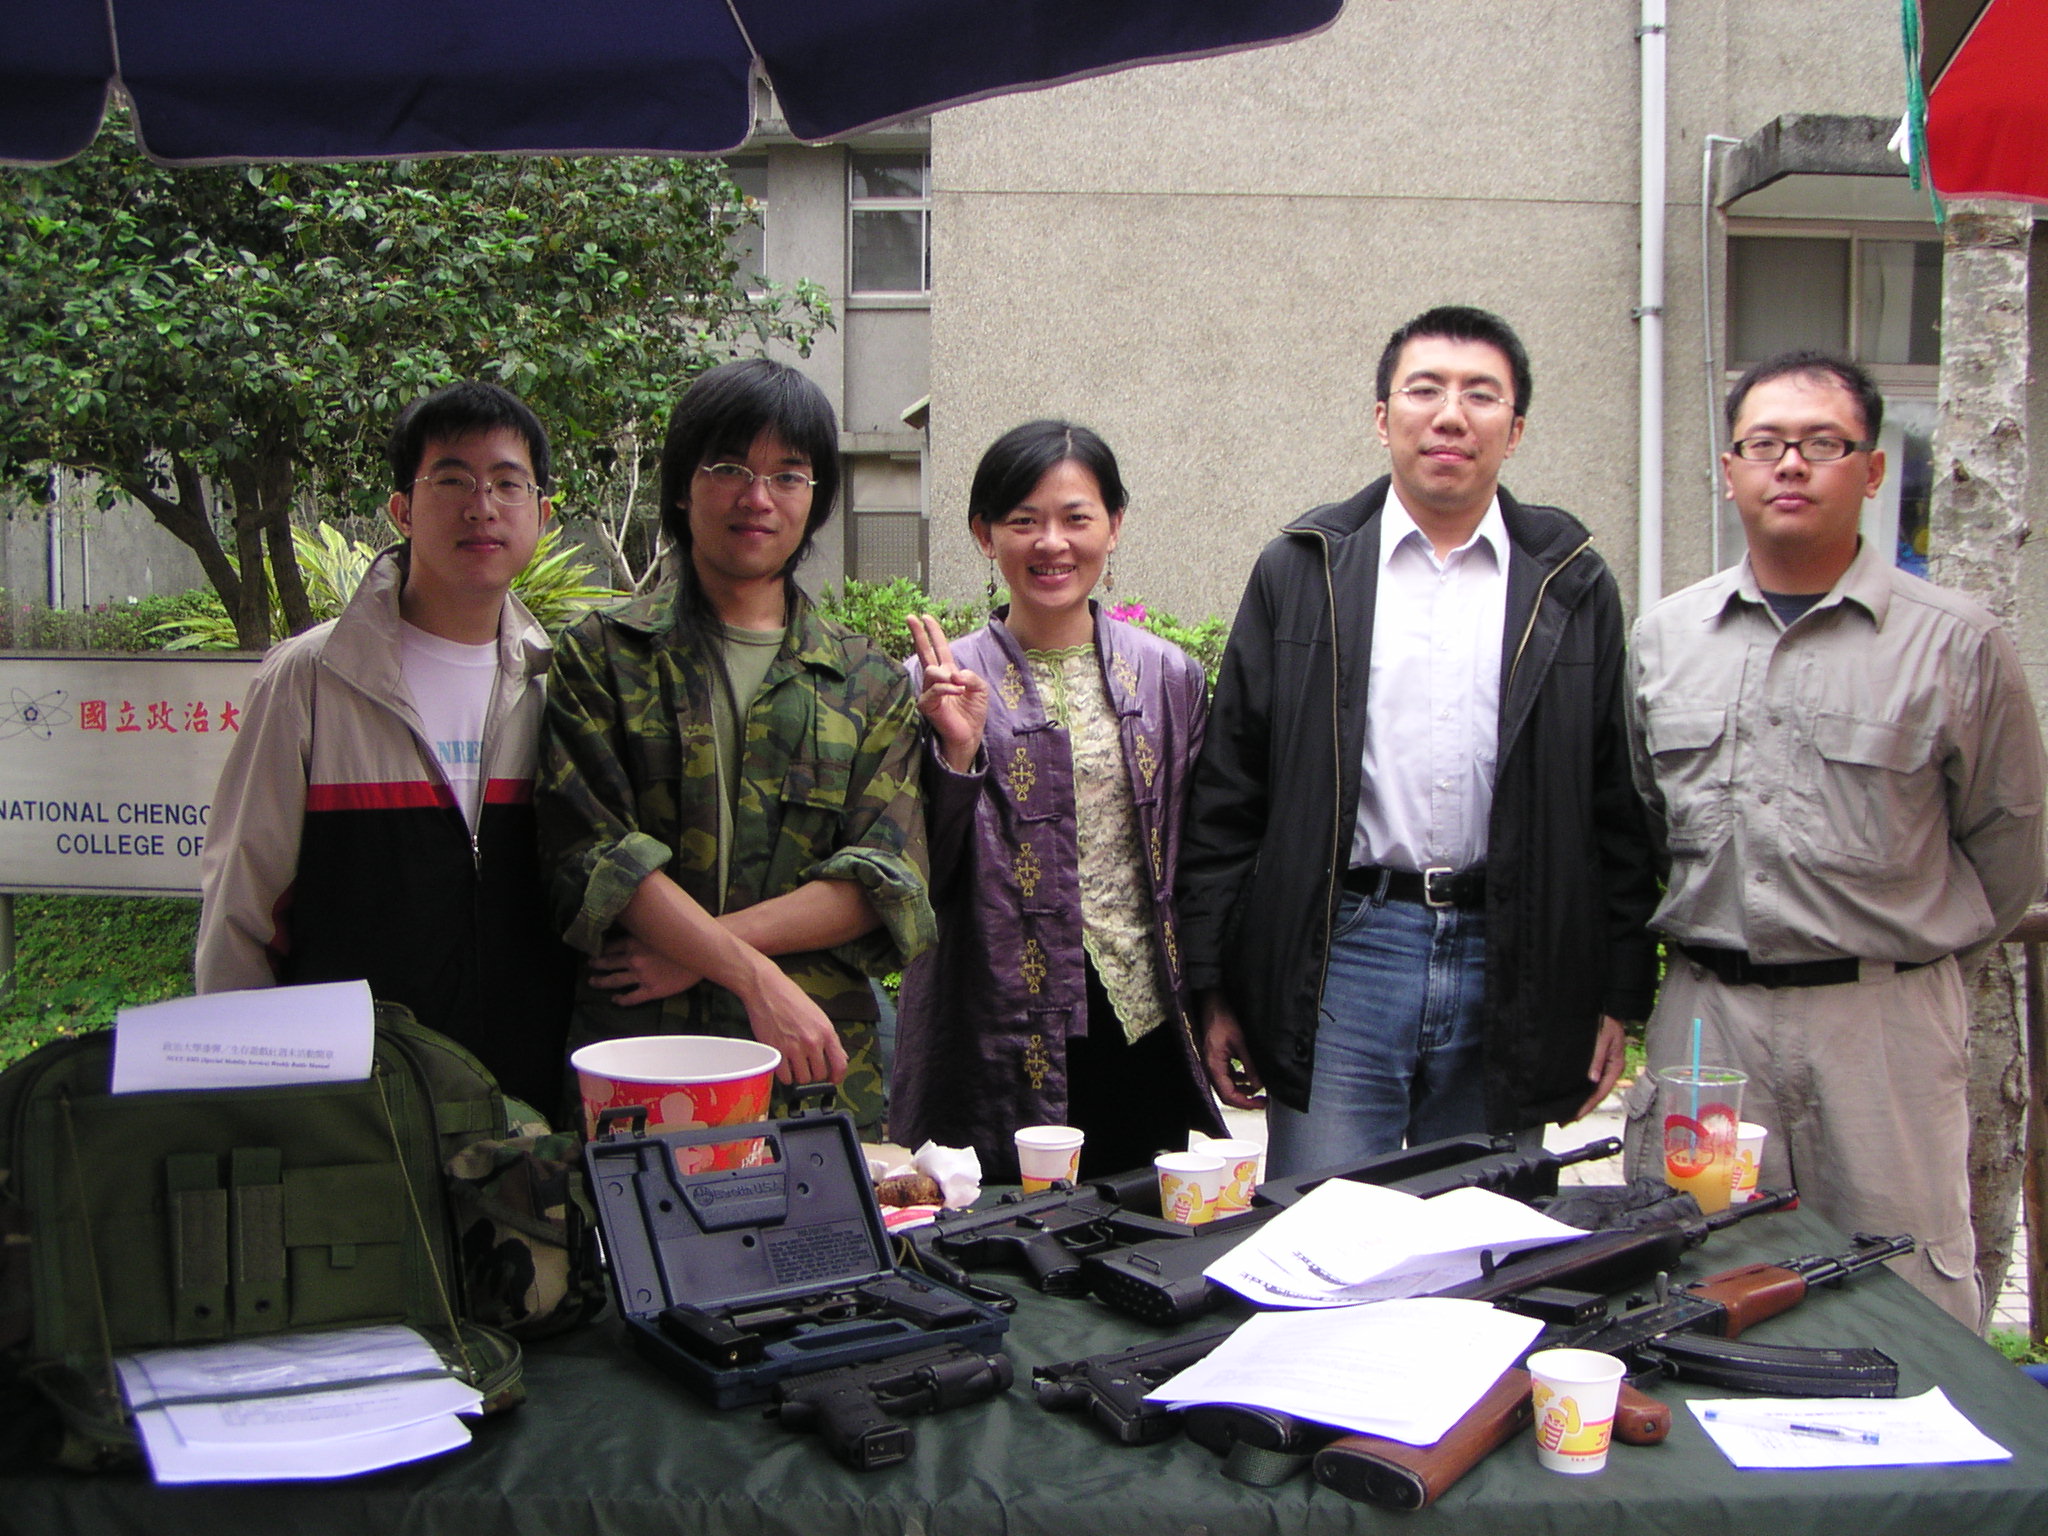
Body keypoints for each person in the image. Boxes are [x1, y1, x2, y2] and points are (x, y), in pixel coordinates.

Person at [1178, 305, 1660, 1177]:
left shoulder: (1571, 580)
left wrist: (1619, 993)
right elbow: (1230, 791)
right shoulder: (1304, 567)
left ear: (1515, 429)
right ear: (1382, 417)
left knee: (1481, 1233)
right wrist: (1214, 986)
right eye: (1425, 390)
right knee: (1322, 1229)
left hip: (1511, 953)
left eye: (1481, 395)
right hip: (1346, 954)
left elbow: (1610, 803)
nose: (1450, 415)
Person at [1625, 350, 2047, 1326]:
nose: (1789, 464)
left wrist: (1899, 964)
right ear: (1727, 469)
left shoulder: (1956, 642)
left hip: (1881, 1031)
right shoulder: (1664, 639)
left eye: (1822, 443)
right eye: (1764, 443)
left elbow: (2007, 847)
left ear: (1871, 470)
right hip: (1709, 1025)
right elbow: (1645, 823)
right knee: (1685, 1281)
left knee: (1904, 1302)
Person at [536, 358, 933, 1134]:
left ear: (815, 499)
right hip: (641, 1062)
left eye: (788, 475)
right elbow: (594, 855)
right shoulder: (604, 657)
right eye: (729, 468)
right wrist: (753, 975)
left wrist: (700, 953)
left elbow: (883, 879)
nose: (758, 497)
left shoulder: (867, 680)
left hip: (812, 1070)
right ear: (684, 486)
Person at [196, 379, 574, 1113]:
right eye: (453, 480)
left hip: (530, 1111)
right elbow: (242, 908)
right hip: (356, 1113)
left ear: (542, 514)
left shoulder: (556, 685)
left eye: (508, 483)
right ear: (402, 509)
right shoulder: (313, 678)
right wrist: (246, 1102)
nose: (482, 506)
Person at [890, 421, 1225, 1179]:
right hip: (996, 1023)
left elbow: (1200, 857)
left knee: (1138, 1221)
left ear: (1114, 525)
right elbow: (913, 876)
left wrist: (1216, 999)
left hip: (1140, 1016)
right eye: (1023, 521)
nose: (1052, 544)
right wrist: (958, 753)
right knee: (1004, 1226)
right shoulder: (933, 682)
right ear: (985, 535)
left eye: (1076, 518)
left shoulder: (1170, 678)